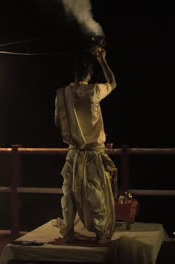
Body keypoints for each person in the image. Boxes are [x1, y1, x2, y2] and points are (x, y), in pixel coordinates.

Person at [54, 47, 118, 244]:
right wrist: (103, 60)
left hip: (73, 153)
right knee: (95, 192)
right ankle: (100, 235)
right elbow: (113, 83)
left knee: (69, 193)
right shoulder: (94, 90)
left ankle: (69, 232)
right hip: (92, 153)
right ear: (89, 74)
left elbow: (58, 122)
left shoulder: (62, 94)